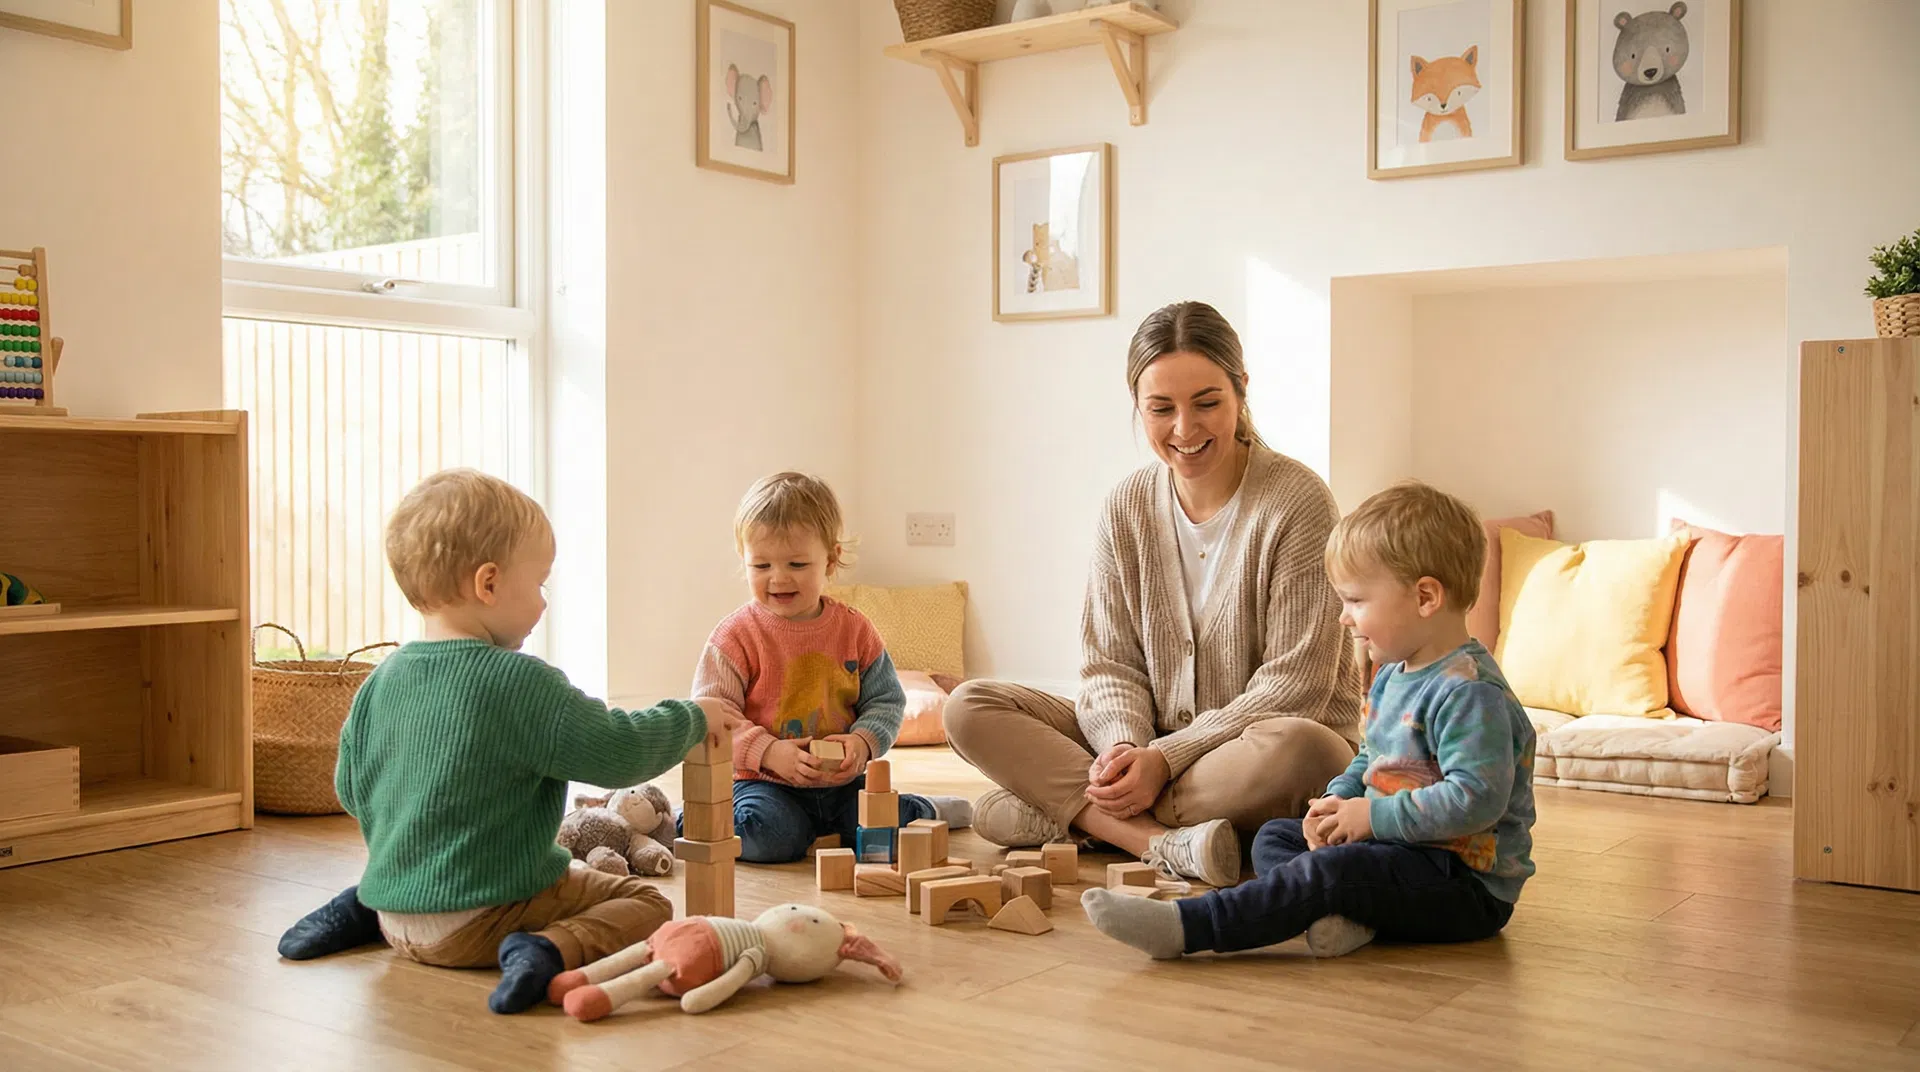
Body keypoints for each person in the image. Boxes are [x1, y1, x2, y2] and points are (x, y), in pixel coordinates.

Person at [275, 468, 745, 1015]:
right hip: (479, 924)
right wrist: (688, 716)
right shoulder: (521, 683)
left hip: (394, 909)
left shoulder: (382, 678)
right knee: (646, 904)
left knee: (549, 869)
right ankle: (544, 950)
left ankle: (361, 910)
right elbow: (620, 751)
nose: (544, 603)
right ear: (489, 583)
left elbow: (352, 790)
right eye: (540, 583)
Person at [944, 300, 1365, 887]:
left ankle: (1070, 816)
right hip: (1152, 743)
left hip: (1257, 749)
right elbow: (1110, 663)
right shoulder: (1127, 505)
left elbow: (1296, 687)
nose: (1185, 430)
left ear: (1241, 390)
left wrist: (1164, 760)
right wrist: (1124, 751)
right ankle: (1161, 842)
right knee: (969, 706)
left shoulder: (1298, 501)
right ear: (1137, 406)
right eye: (1161, 408)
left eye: (1207, 403)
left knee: (1304, 748)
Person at [1081, 479, 1537, 960]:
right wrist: (1338, 799)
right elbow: (1373, 758)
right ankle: (1344, 915)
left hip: (1461, 883)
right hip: (1398, 853)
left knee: (1331, 872)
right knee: (1279, 835)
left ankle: (1192, 927)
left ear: (1425, 597)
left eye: (1357, 601)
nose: (1344, 617)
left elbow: (1475, 800)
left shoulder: (1469, 694)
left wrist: (1370, 817)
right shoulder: (1394, 675)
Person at [689, 471, 970, 862]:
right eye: (761, 566)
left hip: (842, 785)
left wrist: (862, 743)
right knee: (772, 838)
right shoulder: (735, 636)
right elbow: (713, 718)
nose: (779, 578)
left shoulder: (855, 628)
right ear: (745, 562)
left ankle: (925, 810)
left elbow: (886, 702)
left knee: (885, 831)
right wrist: (770, 753)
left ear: (832, 559)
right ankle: (689, 820)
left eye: (797, 564)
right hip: (764, 783)